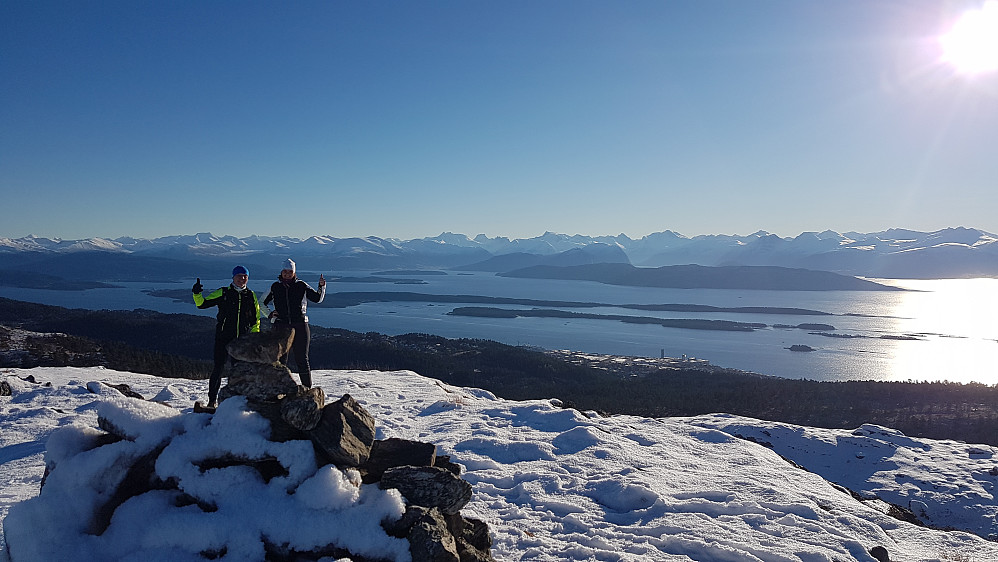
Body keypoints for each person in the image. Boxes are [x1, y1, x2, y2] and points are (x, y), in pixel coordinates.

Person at [191, 265, 261, 407]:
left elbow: (256, 319)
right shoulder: (223, 292)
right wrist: (197, 294)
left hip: (241, 340)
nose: (242, 279)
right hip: (223, 338)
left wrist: (254, 338)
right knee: (218, 368)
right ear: (233, 277)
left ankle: (237, 403)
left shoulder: (251, 295)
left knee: (239, 371)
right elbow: (202, 304)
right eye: (239, 276)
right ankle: (212, 401)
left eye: (245, 276)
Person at [259, 258, 326, 387]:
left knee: (302, 359)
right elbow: (261, 302)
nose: (287, 274)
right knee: (280, 359)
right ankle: (279, 389)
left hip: (300, 326)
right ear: (281, 272)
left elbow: (317, 299)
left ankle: (307, 390)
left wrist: (321, 287)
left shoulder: (301, 285)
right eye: (285, 271)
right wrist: (270, 315)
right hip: (281, 326)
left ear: (294, 273)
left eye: (290, 272)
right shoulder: (275, 286)